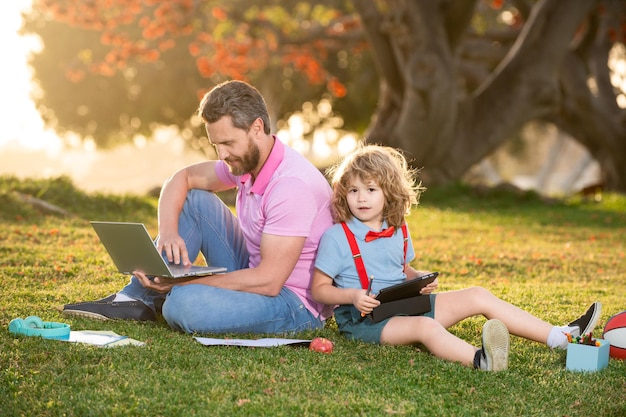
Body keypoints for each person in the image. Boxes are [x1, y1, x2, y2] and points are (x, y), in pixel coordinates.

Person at [64, 80, 335, 334]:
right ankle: (136, 299)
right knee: (195, 200)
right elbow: (181, 179)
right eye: (216, 145)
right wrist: (168, 231)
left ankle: (166, 294)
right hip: (254, 271)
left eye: (229, 143)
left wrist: (184, 283)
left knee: (183, 305)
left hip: (292, 301)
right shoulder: (248, 162)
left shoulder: (291, 185)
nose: (223, 155)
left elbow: (269, 281)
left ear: (257, 128)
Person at [311, 143, 601, 371]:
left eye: (371, 189)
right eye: (354, 190)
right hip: (367, 321)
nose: (361, 198)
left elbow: (402, 269)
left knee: (478, 294)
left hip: (405, 303)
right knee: (427, 327)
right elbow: (319, 289)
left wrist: (418, 279)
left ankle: (560, 337)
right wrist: (352, 296)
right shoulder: (338, 237)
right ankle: (481, 361)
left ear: (388, 192)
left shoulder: (397, 229)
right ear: (343, 193)